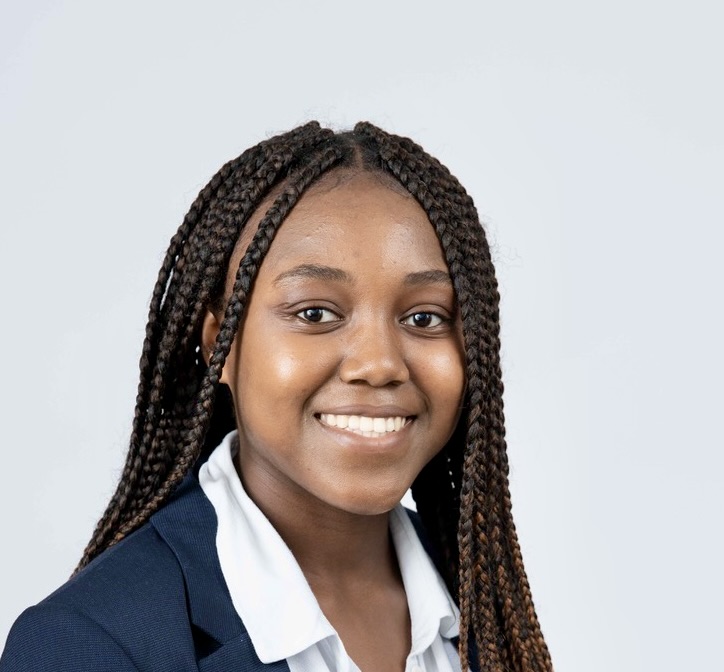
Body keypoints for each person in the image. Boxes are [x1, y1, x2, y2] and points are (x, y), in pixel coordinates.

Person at [0, 122, 553, 672]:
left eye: (424, 317)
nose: (379, 364)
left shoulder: (483, 602)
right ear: (220, 344)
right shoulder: (88, 644)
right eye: (314, 313)